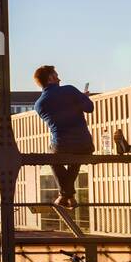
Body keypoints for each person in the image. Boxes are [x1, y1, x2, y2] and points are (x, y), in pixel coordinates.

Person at [33, 65, 94, 209]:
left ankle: (66, 195)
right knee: (77, 156)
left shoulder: (39, 105)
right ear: (51, 78)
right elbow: (90, 108)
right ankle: (67, 195)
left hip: (61, 145)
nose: (59, 78)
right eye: (56, 75)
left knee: (53, 157)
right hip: (84, 145)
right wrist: (82, 99)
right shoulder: (69, 90)